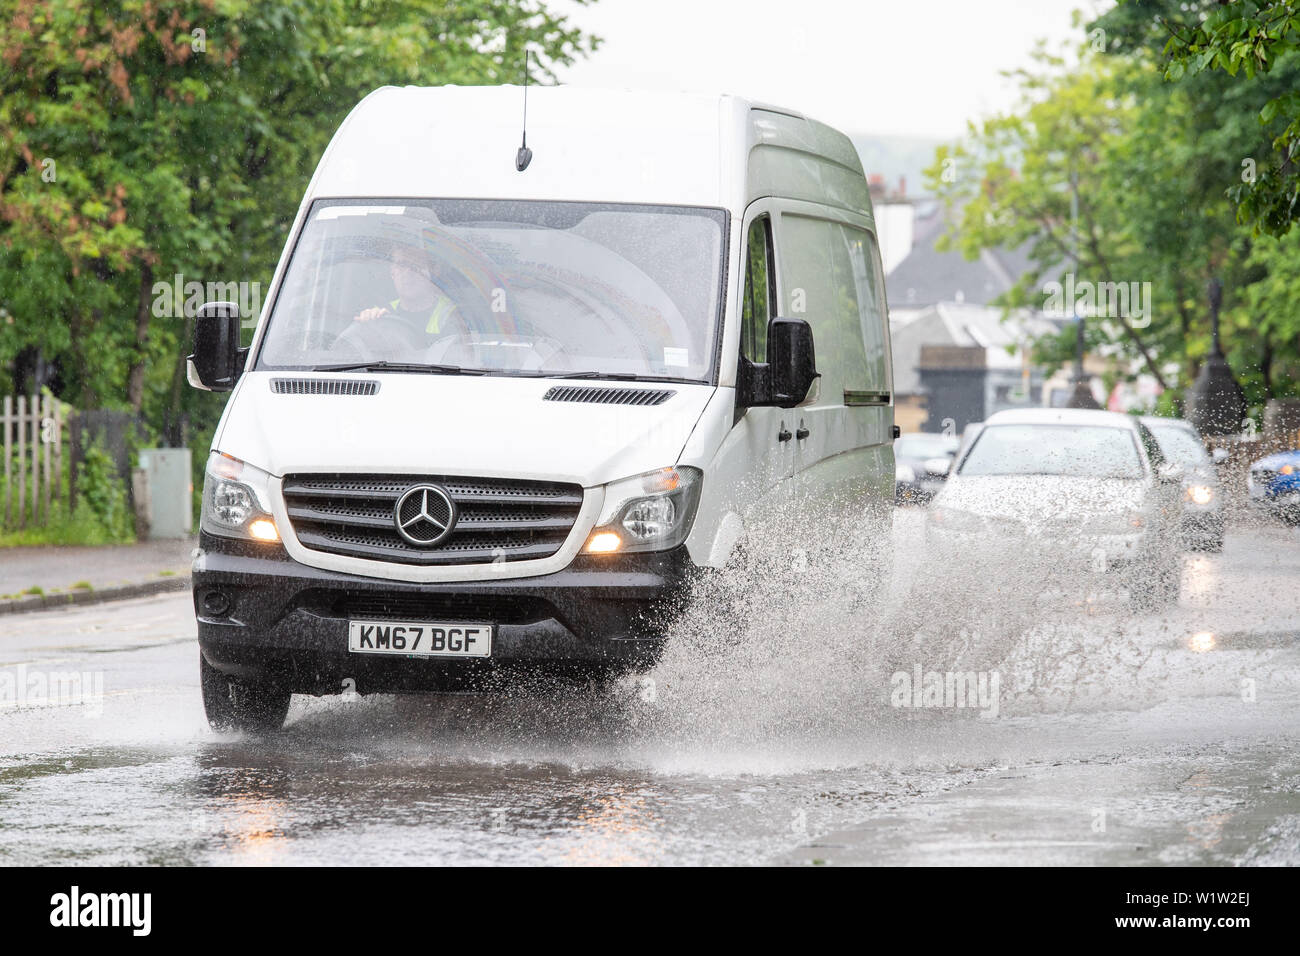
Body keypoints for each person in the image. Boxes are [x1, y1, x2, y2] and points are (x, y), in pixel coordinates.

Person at [352, 244, 462, 337]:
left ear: (431, 273)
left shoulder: (453, 314)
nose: (408, 273)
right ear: (392, 273)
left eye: (416, 265)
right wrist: (367, 324)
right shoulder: (380, 312)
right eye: (401, 265)